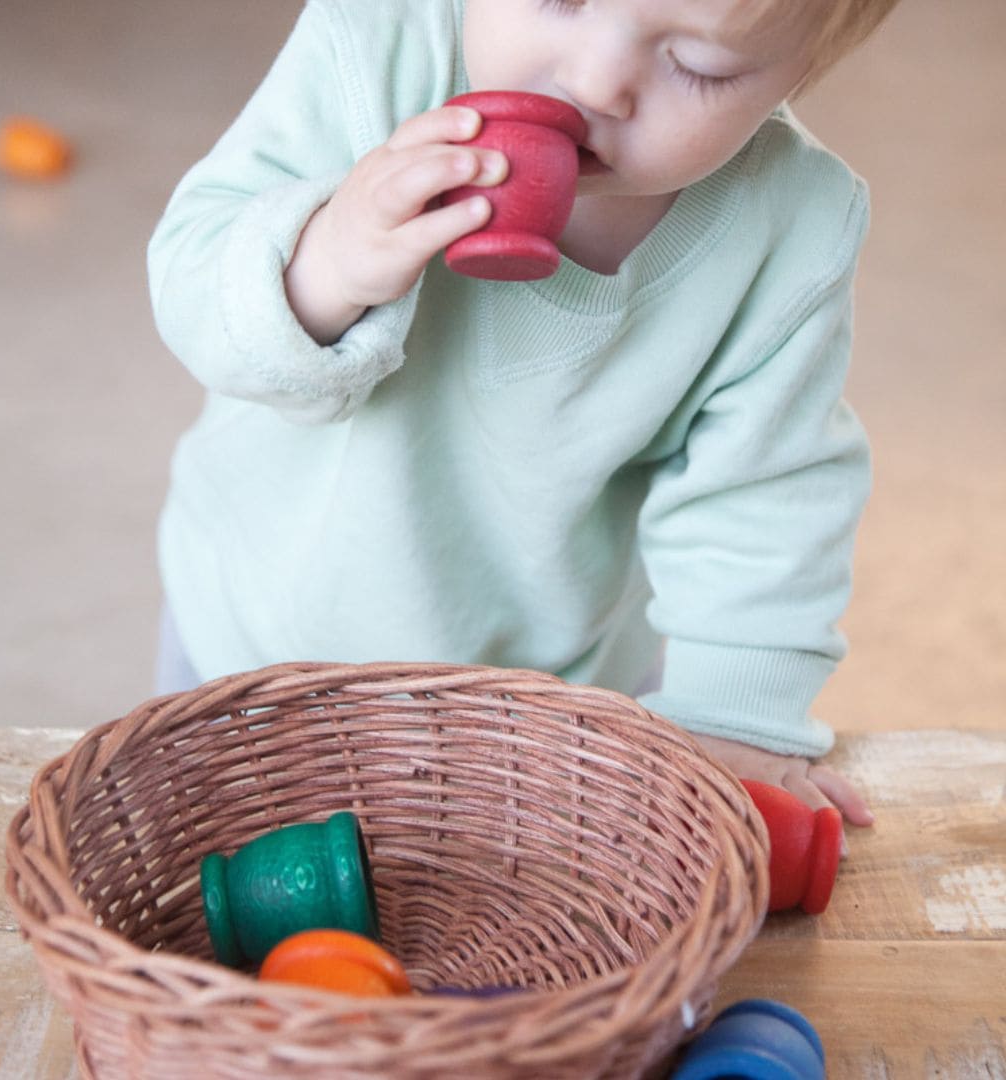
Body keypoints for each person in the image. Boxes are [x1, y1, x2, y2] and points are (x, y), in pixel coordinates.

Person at [148, 0, 900, 838]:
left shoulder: (790, 224)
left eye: (700, 66)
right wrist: (327, 256)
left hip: (554, 698)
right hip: (262, 641)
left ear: (802, 74)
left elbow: (764, 499)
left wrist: (734, 728)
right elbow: (192, 282)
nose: (595, 81)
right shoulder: (374, 53)